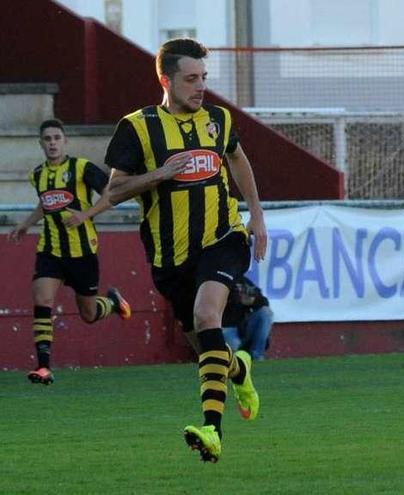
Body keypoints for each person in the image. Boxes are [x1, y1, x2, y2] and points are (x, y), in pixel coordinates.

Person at [105, 38, 269, 463]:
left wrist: (257, 216)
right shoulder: (137, 127)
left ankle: (212, 432)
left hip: (224, 238)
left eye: (204, 78)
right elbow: (115, 190)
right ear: (166, 80)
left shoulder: (218, 119)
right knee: (207, 346)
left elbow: (239, 159)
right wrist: (159, 174)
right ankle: (239, 368)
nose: (200, 87)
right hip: (169, 257)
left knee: (206, 315)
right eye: (191, 79)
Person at [7, 119, 131, 385]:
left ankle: (112, 303)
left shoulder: (82, 168)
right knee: (42, 300)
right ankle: (43, 367)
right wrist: (26, 225)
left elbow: (111, 194)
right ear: (41, 143)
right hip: (50, 251)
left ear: (65, 141)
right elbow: (46, 203)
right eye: (47, 139)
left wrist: (84, 215)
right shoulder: (37, 174)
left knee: (88, 314)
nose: (52, 143)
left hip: (83, 253)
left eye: (56, 138)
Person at [222, 275, 273, 360]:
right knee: (238, 357)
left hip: (243, 326)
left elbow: (263, 301)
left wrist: (252, 301)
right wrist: (236, 299)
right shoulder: (217, 280)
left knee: (265, 312)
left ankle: (257, 356)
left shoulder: (242, 281)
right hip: (225, 326)